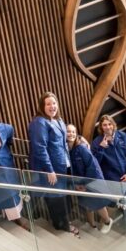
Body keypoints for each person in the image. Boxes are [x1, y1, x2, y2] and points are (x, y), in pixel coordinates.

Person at [28, 92, 79, 236]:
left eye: (54, 103)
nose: (52, 106)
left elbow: (65, 141)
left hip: (64, 165)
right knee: (56, 198)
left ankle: (65, 222)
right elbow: (40, 148)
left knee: (63, 196)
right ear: (42, 106)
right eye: (48, 104)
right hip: (51, 169)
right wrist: (49, 170)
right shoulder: (39, 122)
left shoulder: (59, 120)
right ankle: (62, 226)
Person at [91, 115, 126, 231]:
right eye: (104, 125)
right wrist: (101, 148)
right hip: (113, 180)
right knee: (123, 203)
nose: (107, 127)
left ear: (113, 125)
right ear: (101, 128)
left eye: (109, 124)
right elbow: (95, 163)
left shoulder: (122, 136)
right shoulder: (97, 142)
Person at [67, 124, 113, 233]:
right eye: (68, 131)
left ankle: (107, 221)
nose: (71, 134)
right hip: (80, 183)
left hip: (92, 180)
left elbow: (92, 166)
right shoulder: (66, 150)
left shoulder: (81, 147)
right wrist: (76, 184)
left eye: (73, 131)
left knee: (98, 203)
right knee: (87, 204)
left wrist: (86, 184)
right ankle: (92, 225)